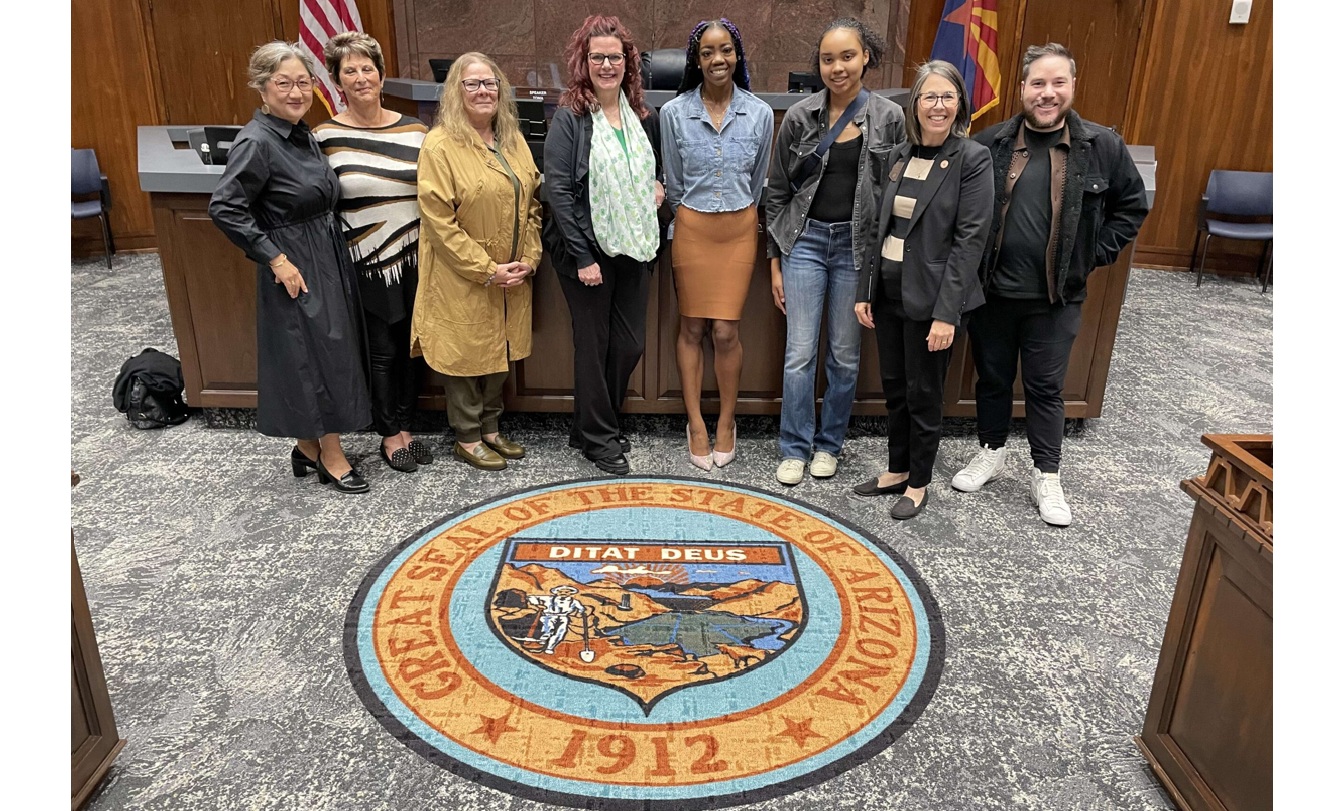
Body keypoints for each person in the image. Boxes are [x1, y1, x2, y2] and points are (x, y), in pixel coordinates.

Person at [951, 43, 1148, 526]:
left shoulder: (1101, 146)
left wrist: (1091, 256)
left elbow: (1132, 207)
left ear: (1072, 87)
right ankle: (991, 451)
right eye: (1038, 83)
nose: (1047, 93)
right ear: (1022, 89)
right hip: (993, 292)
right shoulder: (992, 141)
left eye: (1057, 82)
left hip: (1056, 298)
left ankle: (1047, 473)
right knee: (993, 378)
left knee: (1044, 387)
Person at [209, 41, 372, 495]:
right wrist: (275, 259)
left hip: (324, 253)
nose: (297, 91)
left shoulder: (300, 131)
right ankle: (332, 455)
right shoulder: (257, 141)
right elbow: (225, 207)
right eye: (285, 83)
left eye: (304, 81)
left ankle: (306, 446)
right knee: (316, 358)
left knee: (324, 353)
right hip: (294, 262)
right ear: (263, 88)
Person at [765, 17, 906, 487]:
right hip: (804, 243)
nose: (837, 67)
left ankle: (830, 445)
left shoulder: (888, 117)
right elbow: (778, 193)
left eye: (847, 56)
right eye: (828, 59)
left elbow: (896, 195)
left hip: (857, 248)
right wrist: (775, 262)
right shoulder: (802, 117)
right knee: (799, 353)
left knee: (844, 356)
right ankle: (794, 447)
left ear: (866, 57)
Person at [853, 61, 992, 519]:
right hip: (891, 294)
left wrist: (946, 314)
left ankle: (919, 480)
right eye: (929, 97)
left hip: (934, 301)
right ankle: (896, 468)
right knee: (894, 385)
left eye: (947, 97)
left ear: (959, 105)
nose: (938, 106)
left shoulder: (972, 159)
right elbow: (879, 228)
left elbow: (970, 242)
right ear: (915, 104)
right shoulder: (899, 154)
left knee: (924, 392)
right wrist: (865, 288)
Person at [544, 15, 664, 477]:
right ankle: (598, 439)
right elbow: (558, 191)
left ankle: (595, 423)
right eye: (598, 57)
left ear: (628, 62)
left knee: (630, 344)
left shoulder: (641, 115)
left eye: (616, 56)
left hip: (633, 245)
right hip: (586, 248)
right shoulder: (570, 118)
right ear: (584, 62)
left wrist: (657, 186)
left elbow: (649, 171)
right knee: (592, 347)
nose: (607, 64)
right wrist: (583, 257)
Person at [411, 53, 542, 472]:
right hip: (463, 274)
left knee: (498, 355)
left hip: (512, 273)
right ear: (456, 92)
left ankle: (490, 429)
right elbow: (439, 223)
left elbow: (534, 204)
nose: (484, 91)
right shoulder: (441, 144)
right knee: (465, 359)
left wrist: (530, 258)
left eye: (491, 83)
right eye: (473, 84)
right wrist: (487, 269)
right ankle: (467, 436)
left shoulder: (512, 138)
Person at [314, 32, 431, 474]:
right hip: (364, 259)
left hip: (418, 256)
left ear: (382, 76)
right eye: (350, 71)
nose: (361, 78)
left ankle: (406, 424)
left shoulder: (416, 130)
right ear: (337, 82)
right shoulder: (324, 136)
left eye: (368, 69)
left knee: (412, 346)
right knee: (381, 349)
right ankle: (389, 433)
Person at [660, 19, 772, 471]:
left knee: (726, 331)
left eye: (725, 50)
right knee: (692, 329)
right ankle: (696, 423)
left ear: (737, 55)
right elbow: (672, 184)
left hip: (739, 230)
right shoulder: (674, 113)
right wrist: (690, 213)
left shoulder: (760, 113)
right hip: (692, 230)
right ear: (696, 60)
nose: (717, 59)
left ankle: (726, 421)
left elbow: (759, 178)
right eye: (707, 52)